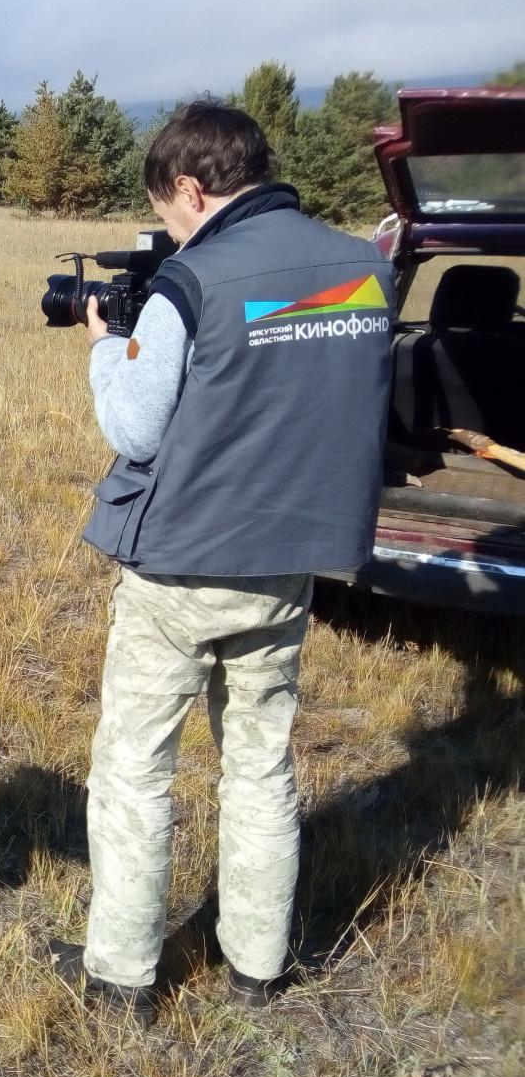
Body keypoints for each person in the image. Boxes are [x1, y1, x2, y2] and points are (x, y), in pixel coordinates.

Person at [52, 103, 395, 1021]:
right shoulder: (365, 269)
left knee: (135, 768)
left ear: (191, 189)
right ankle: (258, 965)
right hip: (290, 564)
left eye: (167, 213)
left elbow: (135, 428)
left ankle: (121, 974)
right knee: (261, 766)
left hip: (182, 566)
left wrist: (104, 351)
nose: (170, 233)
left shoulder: (191, 281)